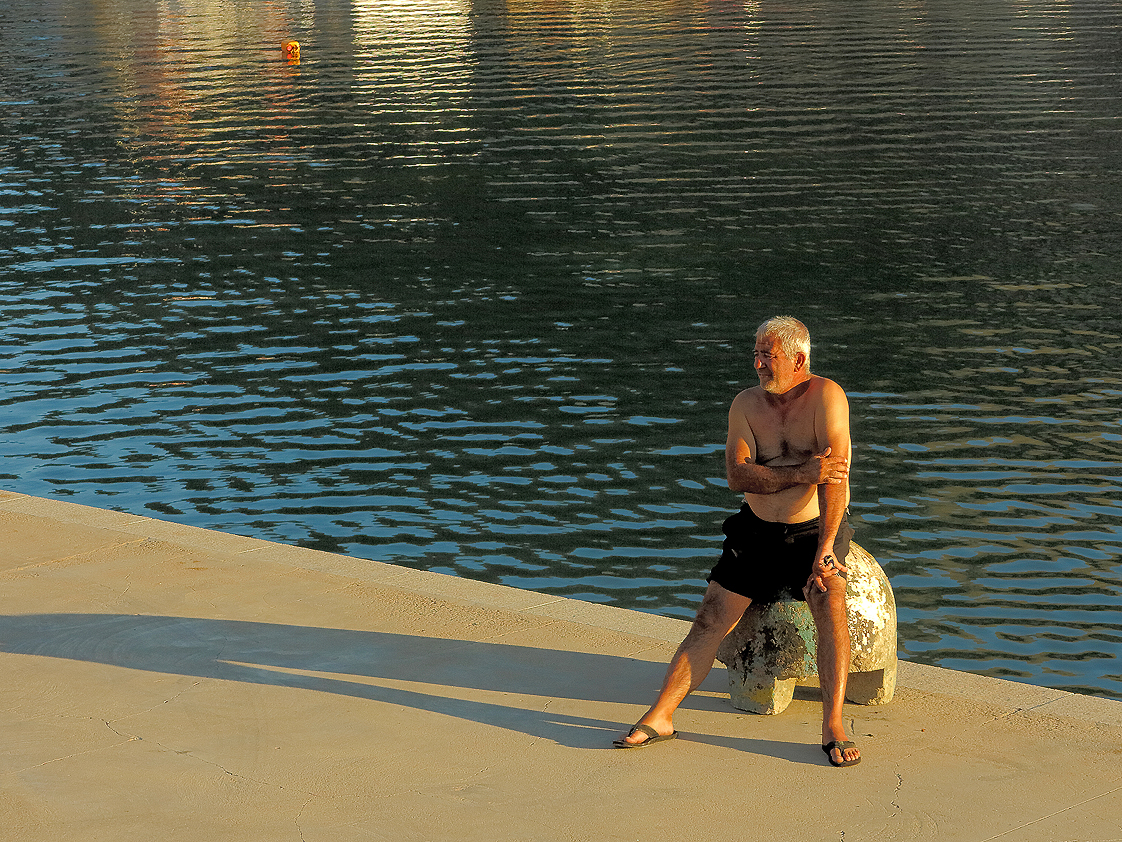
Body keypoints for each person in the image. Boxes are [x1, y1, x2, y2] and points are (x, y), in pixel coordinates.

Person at [614, 315, 861, 767]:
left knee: (831, 600)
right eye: (756, 354)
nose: (758, 364)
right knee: (710, 615)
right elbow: (736, 475)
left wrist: (826, 548)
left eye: (768, 355)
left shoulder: (827, 396)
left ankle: (833, 724)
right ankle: (662, 714)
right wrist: (801, 473)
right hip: (756, 531)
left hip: (814, 530)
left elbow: (836, 478)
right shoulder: (746, 405)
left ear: (799, 358)